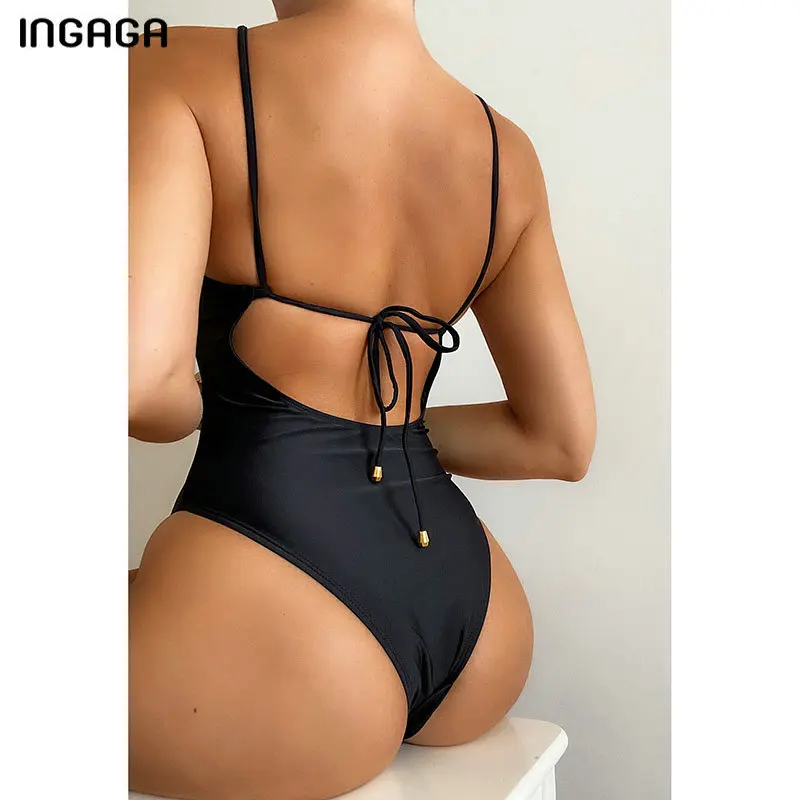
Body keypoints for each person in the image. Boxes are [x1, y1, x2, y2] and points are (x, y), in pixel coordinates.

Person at [128, 2, 596, 798]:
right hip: (478, 624)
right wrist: (368, 436)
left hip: (286, 614)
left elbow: (147, 390)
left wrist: (265, 420)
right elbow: (558, 440)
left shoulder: (169, 63)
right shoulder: (504, 152)